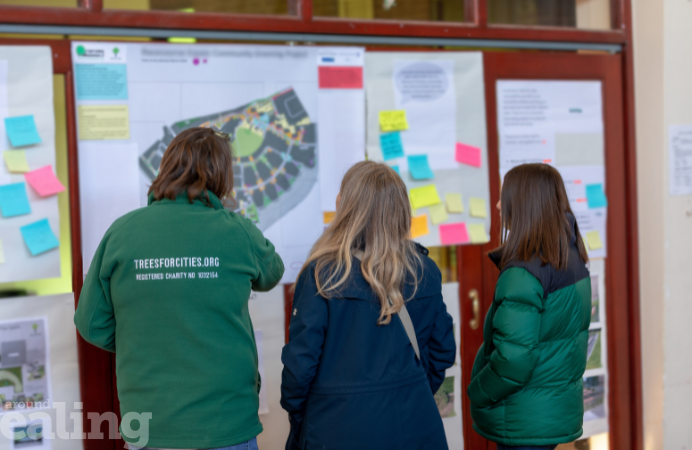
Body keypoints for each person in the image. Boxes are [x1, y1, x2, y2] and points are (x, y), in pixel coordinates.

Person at [74, 127, 284, 450]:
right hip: (227, 423)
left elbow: (90, 323)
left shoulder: (122, 233)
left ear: (166, 169)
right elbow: (272, 272)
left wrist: (146, 342)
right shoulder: (237, 230)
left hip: (149, 426)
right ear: (222, 177)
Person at [280, 161, 456, 450]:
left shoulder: (322, 275)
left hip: (338, 429)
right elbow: (442, 352)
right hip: (416, 428)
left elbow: (299, 369)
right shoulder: (424, 271)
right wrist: (409, 391)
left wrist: (307, 416)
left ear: (347, 208)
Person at [467, 163, 591, 450]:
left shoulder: (524, 271)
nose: (498, 205)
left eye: (504, 197)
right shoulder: (571, 258)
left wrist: (478, 391)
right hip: (549, 413)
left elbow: (513, 360)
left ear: (523, 203)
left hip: (522, 417)